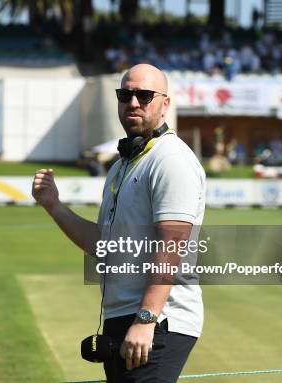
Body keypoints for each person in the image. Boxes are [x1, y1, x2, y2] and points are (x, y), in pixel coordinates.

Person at [33, 64, 205, 383]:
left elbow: (172, 246)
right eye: (126, 94)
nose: (134, 102)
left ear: (165, 104)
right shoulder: (120, 167)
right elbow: (101, 243)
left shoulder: (171, 160)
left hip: (158, 322)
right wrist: (54, 206)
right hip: (123, 318)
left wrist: (145, 318)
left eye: (145, 95)